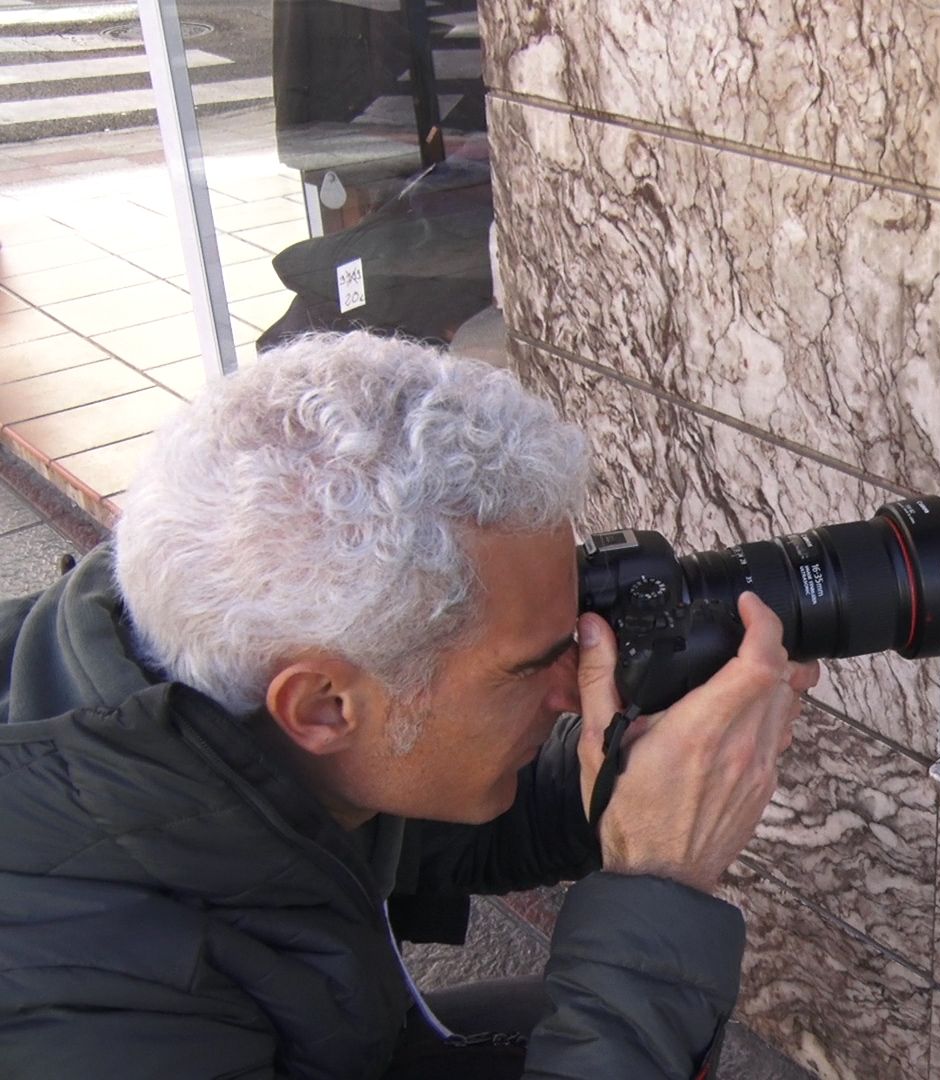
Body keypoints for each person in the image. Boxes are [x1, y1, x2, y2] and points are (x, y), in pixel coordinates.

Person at [0, 331, 818, 1078]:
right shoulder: (83, 1000)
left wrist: (625, 777)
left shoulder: (197, 673)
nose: (573, 689)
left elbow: (417, 803)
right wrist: (655, 880)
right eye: (531, 667)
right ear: (322, 706)